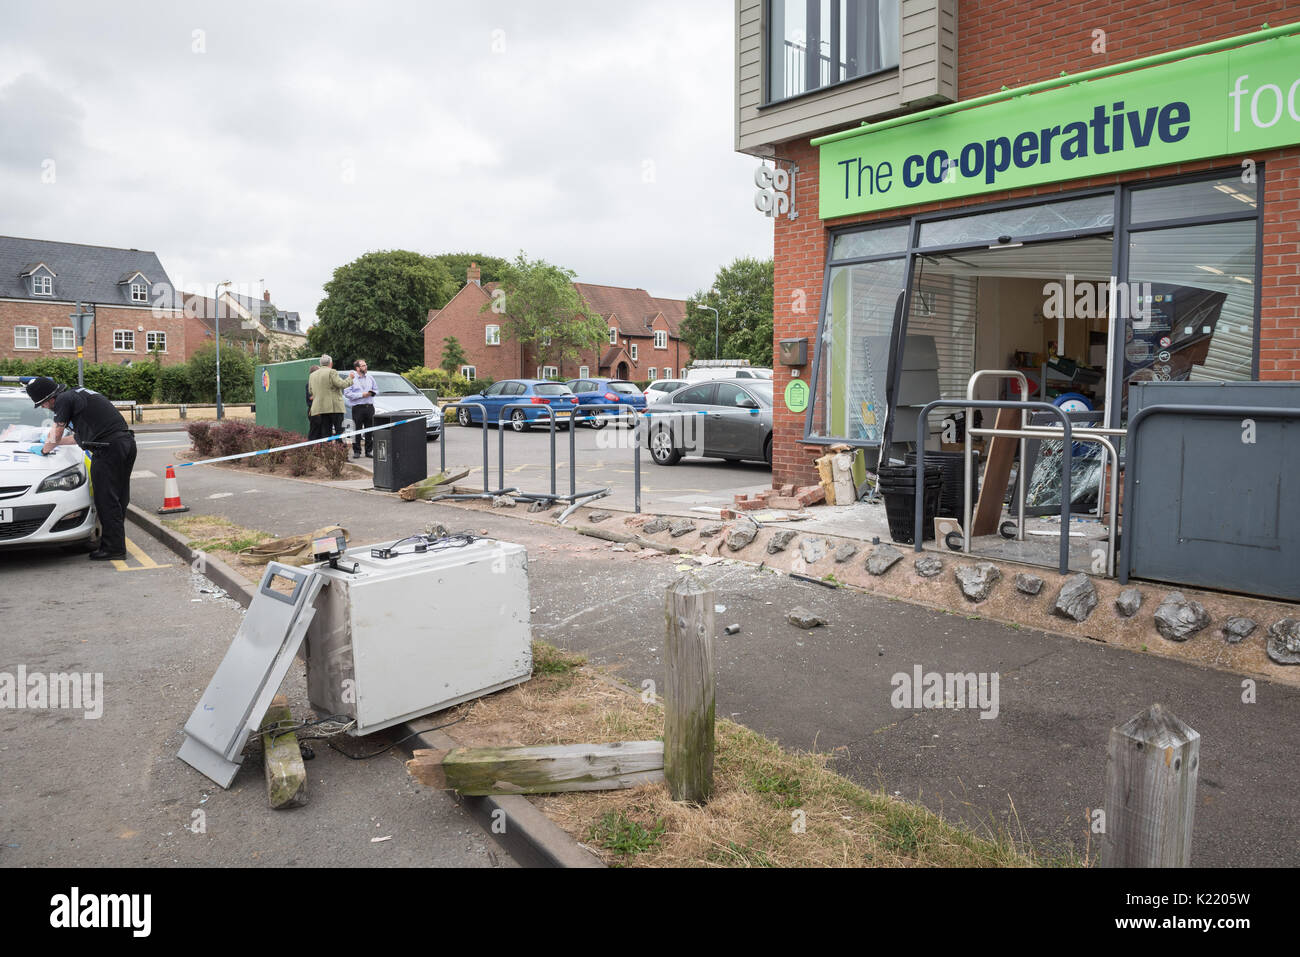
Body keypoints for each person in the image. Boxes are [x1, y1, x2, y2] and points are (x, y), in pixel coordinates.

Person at [26, 376, 137, 561]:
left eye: (43, 404)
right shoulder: (78, 396)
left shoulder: (63, 400)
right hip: (124, 444)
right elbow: (78, 439)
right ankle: (115, 543)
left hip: (107, 449)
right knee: (119, 497)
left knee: (106, 499)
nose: (44, 408)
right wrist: (55, 443)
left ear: (50, 398)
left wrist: (45, 449)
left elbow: (58, 429)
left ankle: (114, 549)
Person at [308, 355, 352, 441]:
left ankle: (327, 452)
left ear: (320, 364)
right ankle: (341, 452)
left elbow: (310, 391)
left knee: (326, 432)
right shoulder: (332, 372)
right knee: (340, 431)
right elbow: (342, 384)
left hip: (321, 408)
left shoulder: (312, 375)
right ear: (331, 363)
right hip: (335, 407)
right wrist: (350, 378)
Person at [343, 358, 378, 458]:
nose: (365, 367)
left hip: (369, 407)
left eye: (366, 365)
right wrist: (362, 395)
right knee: (356, 430)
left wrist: (372, 393)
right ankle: (357, 451)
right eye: (363, 365)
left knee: (369, 430)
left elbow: (377, 389)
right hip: (358, 408)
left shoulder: (370, 377)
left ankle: (368, 451)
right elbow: (347, 393)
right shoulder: (351, 378)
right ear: (357, 368)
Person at [306, 364, 320, 439]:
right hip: (313, 411)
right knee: (314, 431)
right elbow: (311, 398)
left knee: (321, 432)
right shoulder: (309, 384)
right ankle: (311, 449)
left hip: (320, 411)